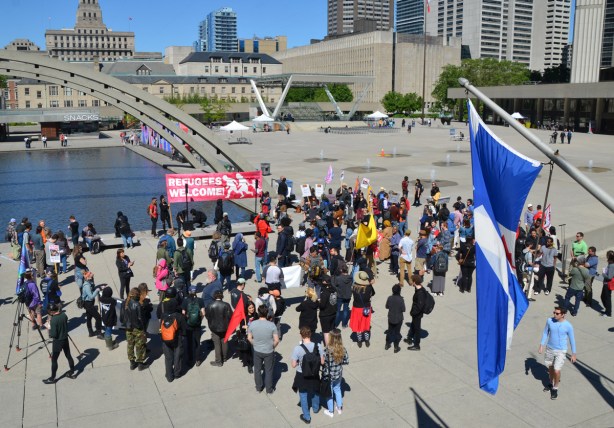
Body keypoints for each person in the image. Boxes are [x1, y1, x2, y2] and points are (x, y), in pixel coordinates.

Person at [538, 306, 577, 400]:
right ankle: (551, 383)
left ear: (563, 314)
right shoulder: (549, 321)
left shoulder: (568, 326)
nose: (554, 314)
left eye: (557, 313)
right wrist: (541, 345)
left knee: (556, 370)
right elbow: (545, 333)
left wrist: (574, 353)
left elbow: (572, 340)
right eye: (554, 312)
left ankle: (555, 388)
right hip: (550, 349)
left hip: (561, 351)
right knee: (550, 368)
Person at [291, 326, 325, 424]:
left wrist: (298, 363)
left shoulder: (297, 348)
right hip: (314, 374)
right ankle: (315, 408)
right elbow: (322, 362)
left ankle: (306, 416)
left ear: (301, 335)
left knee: (303, 394)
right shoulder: (318, 346)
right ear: (310, 334)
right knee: (315, 391)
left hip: (302, 375)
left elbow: (293, 365)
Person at [248, 305, 280, 394]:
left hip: (257, 350)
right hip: (268, 351)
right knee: (268, 370)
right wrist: (272, 346)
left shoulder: (253, 323)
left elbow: (249, 338)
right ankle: (269, 389)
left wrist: (255, 345)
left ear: (258, 313)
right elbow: (277, 340)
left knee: (257, 370)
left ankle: (259, 387)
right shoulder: (271, 325)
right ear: (267, 313)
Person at [42, 304, 77, 384]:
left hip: (58, 341)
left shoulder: (53, 320)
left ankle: (52, 378)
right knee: (68, 356)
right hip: (65, 339)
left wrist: (49, 327)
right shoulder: (64, 315)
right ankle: (71, 372)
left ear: (51, 311)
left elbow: (53, 335)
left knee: (54, 359)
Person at [159, 293, 186, 382]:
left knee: (168, 358)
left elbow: (161, 327)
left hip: (165, 340)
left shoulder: (163, 315)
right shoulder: (179, 316)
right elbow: (184, 329)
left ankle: (169, 376)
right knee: (177, 357)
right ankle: (177, 373)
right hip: (177, 339)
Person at [322, 328, 349, 417]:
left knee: (329, 393)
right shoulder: (343, 349)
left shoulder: (327, 350)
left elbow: (323, 362)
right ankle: (339, 408)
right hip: (338, 373)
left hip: (329, 375)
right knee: (337, 390)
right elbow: (346, 361)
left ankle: (331, 411)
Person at [123, 287, 148, 371]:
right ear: (137, 295)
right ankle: (140, 363)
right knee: (139, 345)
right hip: (137, 328)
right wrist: (143, 330)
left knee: (130, 345)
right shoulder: (137, 305)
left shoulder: (125, 302)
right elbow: (140, 319)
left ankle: (132, 363)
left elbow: (122, 316)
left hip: (128, 328)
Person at [205, 290, 232, 367]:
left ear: (214, 296)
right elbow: (230, 316)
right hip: (225, 327)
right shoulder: (226, 305)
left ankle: (218, 361)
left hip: (214, 328)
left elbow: (207, 316)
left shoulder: (210, 305)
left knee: (217, 344)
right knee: (224, 342)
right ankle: (224, 357)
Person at [349, 271, 375, 347]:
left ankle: (359, 341)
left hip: (357, 308)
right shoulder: (369, 287)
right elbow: (373, 294)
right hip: (366, 308)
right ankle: (367, 340)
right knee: (366, 324)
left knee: (358, 325)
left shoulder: (354, 287)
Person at [182, 284, 205, 367]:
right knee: (197, 342)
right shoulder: (200, 300)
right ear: (196, 292)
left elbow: (183, 313)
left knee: (189, 342)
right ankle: (198, 360)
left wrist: (187, 320)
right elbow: (203, 313)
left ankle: (190, 359)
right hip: (197, 325)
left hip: (188, 325)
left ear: (189, 292)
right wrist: (199, 320)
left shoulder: (185, 301)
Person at [406, 274, 428, 351]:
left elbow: (419, 306)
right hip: (415, 313)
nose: (411, 282)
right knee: (413, 325)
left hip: (417, 314)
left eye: (412, 281)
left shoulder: (420, 293)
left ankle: (416, 345)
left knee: (417, 328)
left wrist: (413, 313)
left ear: (415, 282)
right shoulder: (418, 288)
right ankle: (410, 338)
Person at [81, 271, 103, 339]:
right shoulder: (87, 286)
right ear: (87, 277)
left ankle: (91, 332)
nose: (92, 277)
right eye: (91, 276)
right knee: (98, 317)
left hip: (89, 303)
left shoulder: (89, 283)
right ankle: (99, 333)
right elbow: (91, 296)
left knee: (89, 317)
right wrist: (97, 290)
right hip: (88, 304)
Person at [237, 301, 257, 373]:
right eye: (250, 308)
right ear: (247, 309)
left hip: (255, 336)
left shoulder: (256, 315)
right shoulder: (244, 317)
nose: (252, 309)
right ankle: (249, 365)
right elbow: (241, 327)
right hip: (247, 336)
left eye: (253, 307)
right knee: (248, 352)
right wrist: (244, 327)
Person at [385, 284, 405, 353]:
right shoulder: (401, 299)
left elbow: (387, 306)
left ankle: (387, 344)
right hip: (398, 318)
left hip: (391, 317)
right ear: (399, 291)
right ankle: (396, 347)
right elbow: (403, 309)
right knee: (397, 333)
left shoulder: (389, 298)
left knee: (390, 331)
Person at [318, 275, 337, 346]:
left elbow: (322, 306)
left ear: (324, 282)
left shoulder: (324, 293)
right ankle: (333, 343)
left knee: (326, 332)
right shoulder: (334, 289)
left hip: (325, 315)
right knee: (332, 330)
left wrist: (318, 302)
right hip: (333, 313)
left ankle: (328, 347)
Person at [333, 264, 352, 328]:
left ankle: (335, 324)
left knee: (338, 310)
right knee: (345, 310)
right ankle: (344, 324)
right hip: (347, 296)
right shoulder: (350, 277)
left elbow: (335, 285)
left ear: (341, 270)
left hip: (340, 295)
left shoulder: (338, 278)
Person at [600, 250, 614, 318]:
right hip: (606, 283)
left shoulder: (611, 265)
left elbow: (609, 277)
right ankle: (608, 310)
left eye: (607, 255)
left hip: (608, 284)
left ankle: (608, 312)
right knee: (603, 297)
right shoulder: (610, 263)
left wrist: (603, 274)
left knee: (606, 298)